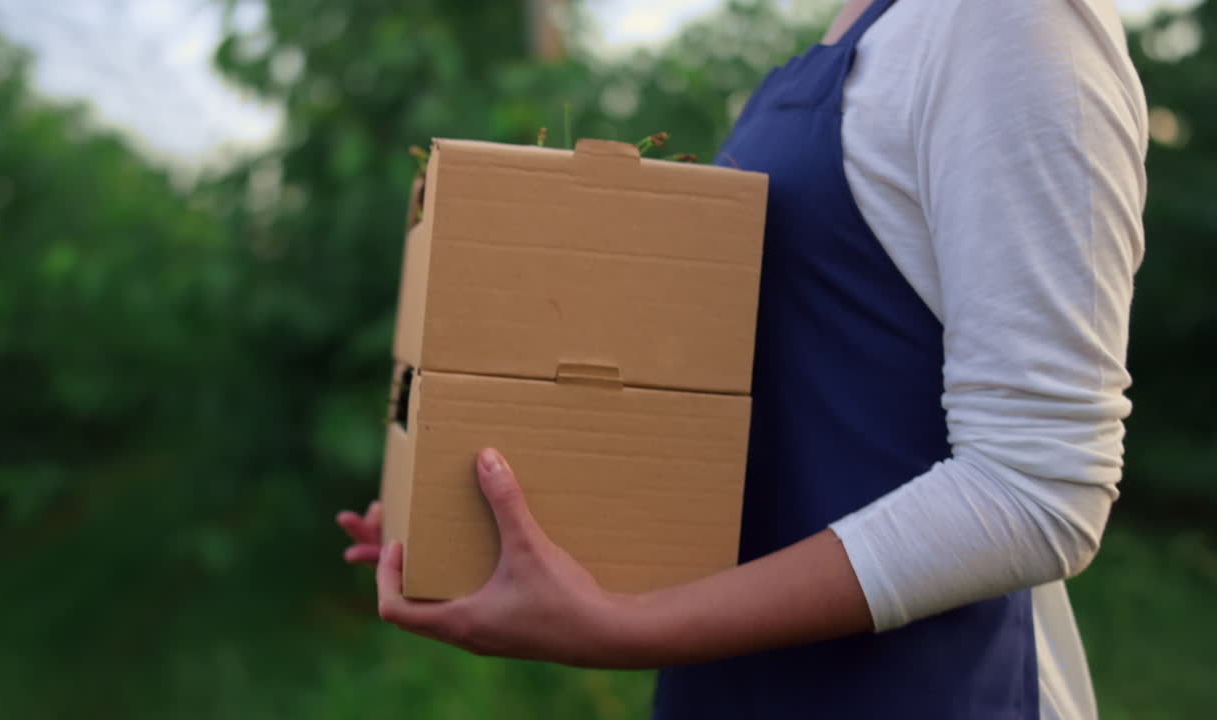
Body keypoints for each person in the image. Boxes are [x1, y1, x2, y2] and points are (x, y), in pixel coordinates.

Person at [336, 0, 1148, 716]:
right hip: (738, 688)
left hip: (923, 690)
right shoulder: (868, 25)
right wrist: (473, 507)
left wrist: (626, 627)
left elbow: (1037, 487)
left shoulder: (1014, 20)